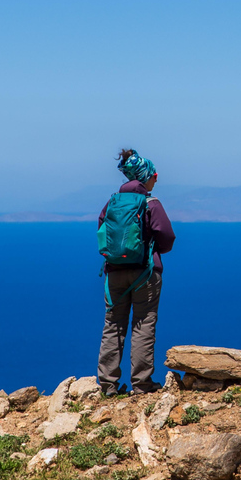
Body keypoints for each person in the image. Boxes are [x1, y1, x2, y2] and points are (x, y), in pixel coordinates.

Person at [97, 149, 175, 396]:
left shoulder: (112, 203)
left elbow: (102, 232)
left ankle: (108, 385)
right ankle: (142, 384)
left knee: (113, 325)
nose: (157, 177)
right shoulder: (151, 204)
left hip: (114, 273)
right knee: (143, 324)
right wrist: (154, 251)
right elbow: (167, 237)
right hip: (146, 273)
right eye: (153, 174)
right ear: (146, 177)